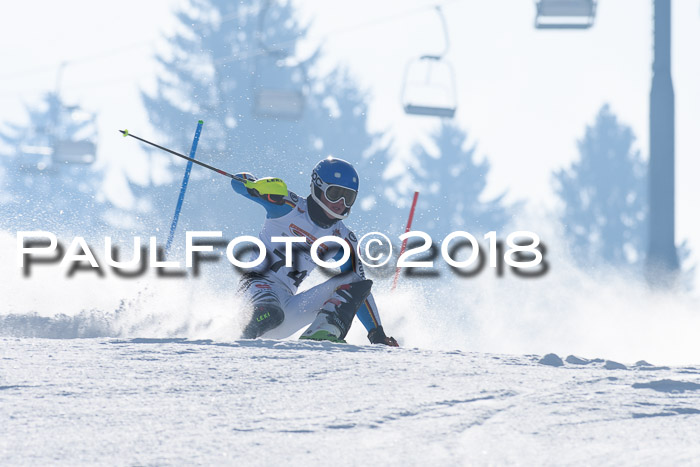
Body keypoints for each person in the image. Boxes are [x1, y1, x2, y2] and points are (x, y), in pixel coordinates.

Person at [230, 156, 398, 346]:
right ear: (318, 186)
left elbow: (360, 292)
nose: (341, 202)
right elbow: (237, 183)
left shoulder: (342, 238)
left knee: (355, 280)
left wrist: (377, 332)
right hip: (257, 285)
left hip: (288, 307)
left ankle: (323, 331)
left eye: (348, 197)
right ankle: (235, 334)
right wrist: (255, 185)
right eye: (335, 193)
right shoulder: (287, 206)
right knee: (270, 312)